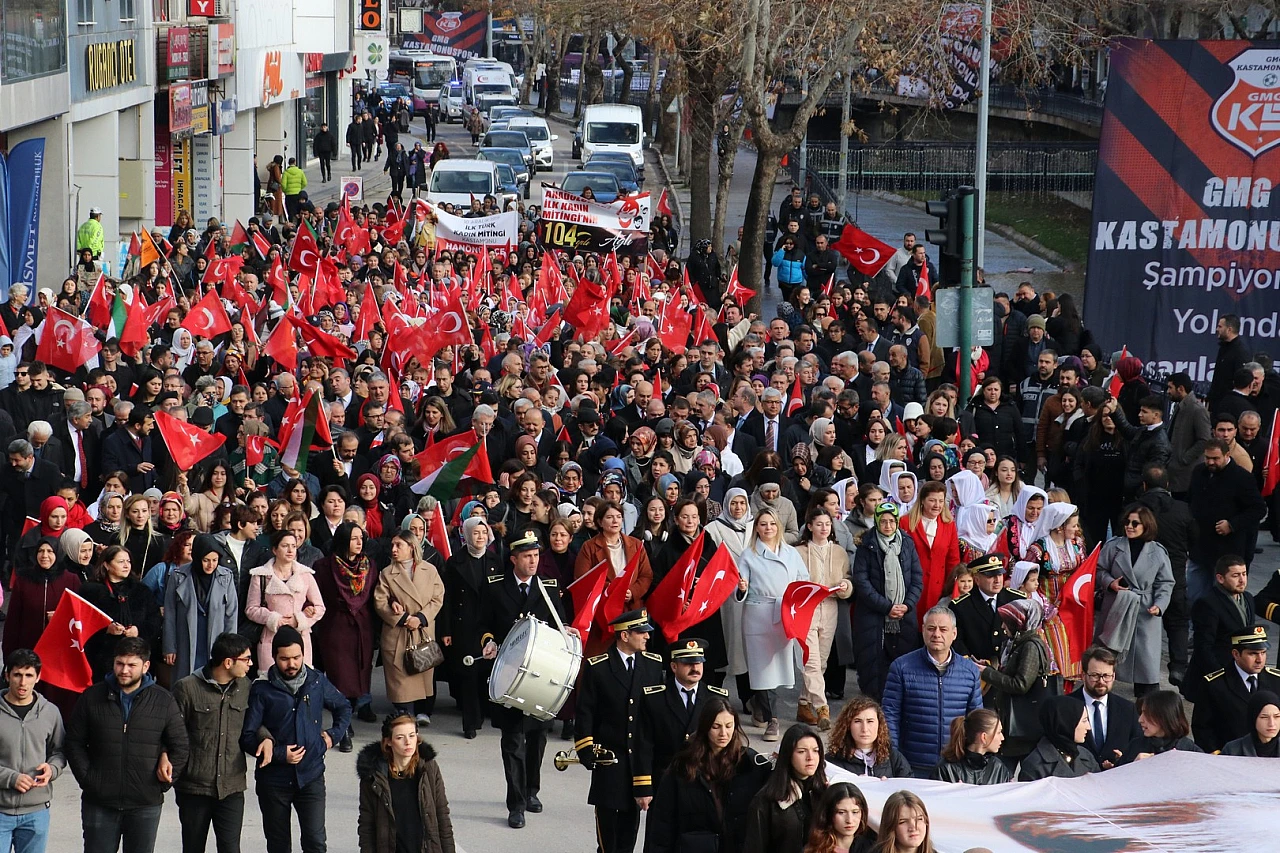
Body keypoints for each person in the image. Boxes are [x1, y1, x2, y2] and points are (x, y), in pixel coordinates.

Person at [479, 529, 573, 830]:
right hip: (509, 675)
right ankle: (516, 804)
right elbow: (484, 624)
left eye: (536, 556)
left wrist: (566, 630)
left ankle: (532, 790)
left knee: (537, 738)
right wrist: (489, 641)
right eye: (527, 556)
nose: (533, 561)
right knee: (512, 741)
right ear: (514, 559)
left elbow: (559, 623)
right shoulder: (496, 587)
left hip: (540, 675)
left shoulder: (547, 587)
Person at [65, 637, 190, 853]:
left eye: (132, 665)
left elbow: (180, 746)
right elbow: (74, 742)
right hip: (99, 803)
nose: (124, 670)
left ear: (146, 666)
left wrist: (160, 785)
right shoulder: (92, 697)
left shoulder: (164, 700)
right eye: (119, 663)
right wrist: (88, 780)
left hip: (145, 804)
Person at [239, 625, 351, 853]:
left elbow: (343, 707)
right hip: (274, 781)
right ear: (274, 657)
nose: (291, 664)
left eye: (296, 658)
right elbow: (247, 735)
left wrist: (333, 736)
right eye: (284, 659)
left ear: (303, 654)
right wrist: (280, 754)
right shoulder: (261, 689)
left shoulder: (316, 681)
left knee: (315, 842)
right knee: (278, 845)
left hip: (311, 776)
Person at [575, 608, 664, 853]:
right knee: (607, 833)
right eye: (641, 632)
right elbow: (586, 711)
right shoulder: (599, 667)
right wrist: (586, 748)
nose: (647, 637)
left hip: (639, 761)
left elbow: (656, 712)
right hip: (610, 758)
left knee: (630, 827)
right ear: (625, 635)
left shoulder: (652, 665)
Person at [643, 698, 772, 853]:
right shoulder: (683, 766)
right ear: (705, 727)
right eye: (716, 727)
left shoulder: (750, 763)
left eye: (729, 726)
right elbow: (663, 822)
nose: (723, 733)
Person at [170, 632, 254, 853]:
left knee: (230, 848)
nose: (250, 664)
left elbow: (253, 723)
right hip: (194, 787)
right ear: (228, 662)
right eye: (246, 659)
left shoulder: (245, 687)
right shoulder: (187, 688)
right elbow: (172, 732)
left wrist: (265, 739)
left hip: (232, 785)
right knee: (193, 847)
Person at [881, 605, 982, 778]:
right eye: (931, 628)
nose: (936, 634)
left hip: (955, 766)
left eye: (943, 629)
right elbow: (890, 715)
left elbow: (976, 719)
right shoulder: (901, 667)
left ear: (954, 634)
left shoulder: (970, 671)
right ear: (923, 630)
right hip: (912, 764)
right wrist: (894, 757)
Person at [737, 508, 810, 740]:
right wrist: (741, 588)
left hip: (783, 613)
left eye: (772, 523)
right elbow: (739, 586)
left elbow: (803, 580)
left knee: (779, 668)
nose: (768, 528)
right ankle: (772, 719)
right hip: (758, 615)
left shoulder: (790, 553)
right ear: (756, 528)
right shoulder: (748, 555)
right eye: (763, 524)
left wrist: (797, 603)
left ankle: (760, 707)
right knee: (762, 670)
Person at [312, 522, 380, 745]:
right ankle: (343, 728)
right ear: (343, 540)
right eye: (354, 538)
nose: (359, 543)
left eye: (361, 538)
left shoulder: (369, 565)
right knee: (340, 678)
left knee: (359, 677)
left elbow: (375, 595)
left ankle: (347, 719)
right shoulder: (324, 566)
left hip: (362, 628)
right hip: (336, 627)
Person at [1096, 506, 1173, 696]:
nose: (1129, 526)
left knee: (1145, 657)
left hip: (1145, 609)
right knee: (1109, 651)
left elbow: (1165, 582)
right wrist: (1110, 583)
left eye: (1135, 523)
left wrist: (1160, 605)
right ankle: (1101, 684)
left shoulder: (1158, 552)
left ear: (1146, 525)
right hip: (1117, 605)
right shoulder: (1114, 546)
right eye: (1127, 522)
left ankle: (1146, 693)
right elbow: (1098, 570)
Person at [850, 502, 923, 701]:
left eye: (891, 521)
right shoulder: (866, 545)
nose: (888, 525)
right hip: (873, 616)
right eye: (883, 521)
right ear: (876, 522)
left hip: (904, 615)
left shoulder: (906, 543)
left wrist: (907, 605)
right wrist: (887, 607)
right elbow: (862, 581)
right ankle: (874, 701)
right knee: (873, 662)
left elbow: (917, 578)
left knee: (903, 658)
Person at [356, 712, 456, 853]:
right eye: (400, 737)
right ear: (388, 741)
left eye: (412, 735)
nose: (408, 742)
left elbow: (442, 816)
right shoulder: (374, 776)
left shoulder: (428, 768)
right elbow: (367, 826)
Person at [638, 638, 730, 788]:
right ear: (674, 666)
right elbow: (643, 744)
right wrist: (643, 786)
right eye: (688, 663)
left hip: (705, 779)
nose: (695, 668)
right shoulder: (654, 698)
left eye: (698, 663)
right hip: (665, 780)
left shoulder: (716, 697)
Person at [374, 531, 445, 723]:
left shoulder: (430, 570)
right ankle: (404, 716)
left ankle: (421, 713)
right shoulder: (387, 573)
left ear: (412, 547)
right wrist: (404, 617)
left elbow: (438, 597)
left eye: (399, 545)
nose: (394, 549)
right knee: (401, 682)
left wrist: (421, 618)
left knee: (422, 674)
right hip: (399, 633)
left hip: (422, 632)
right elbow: (380, 602)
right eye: (392, 545)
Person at [0, 649, 66, 853]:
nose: (23, 682)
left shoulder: (50, 712)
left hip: (36, 812)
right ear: (7, 675)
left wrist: (52, 769)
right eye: (17, 675)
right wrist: (11, 778)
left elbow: (60, 751)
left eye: (29, 675)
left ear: (38, 677)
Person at [441, 517, 500, 738]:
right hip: (463, 624)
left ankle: (485, 712)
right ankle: (470, 722)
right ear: (466, 535)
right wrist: (446, 630)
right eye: (475, 533)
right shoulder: (454, 562)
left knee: (487, 670)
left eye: (484, 533)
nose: (480, 537)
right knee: (468, 674)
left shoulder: (495, 560)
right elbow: (447, 598)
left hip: (489, 624)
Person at [795, 508, 852, 729]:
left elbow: (847, 579)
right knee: (811, 660)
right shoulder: (798, 552)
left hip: (830, 607)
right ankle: (822, 709)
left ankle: (803, 703)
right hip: (806, 609)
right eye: (819, 524)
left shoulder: (839, 552)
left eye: (827, 524)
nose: (824, 528)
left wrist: (846, 586)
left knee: (822, 661)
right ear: (809, 526)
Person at [979, 598, 1054, 764]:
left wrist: (987, 674)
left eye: (1007, 623)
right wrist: (989, 668)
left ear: (1018, 623)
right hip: (1014, 725)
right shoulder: (1018, 643)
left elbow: (1020, 684)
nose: (1003, 627)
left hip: (1022, 728)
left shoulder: (1030, 646)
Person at [78, 546, 162, 682]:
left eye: (128, 561)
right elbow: (82, 623)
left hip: (136, 656)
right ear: (106, 565)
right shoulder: (91, 591)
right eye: (121, 562)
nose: (126, 566)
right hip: (102, 659)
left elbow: (155, 619)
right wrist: (106, 629)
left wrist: (138, 630)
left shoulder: (141, 590)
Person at [162, 533, 240, 682]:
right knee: (185, 684)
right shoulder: (178, 576)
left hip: (216, 641)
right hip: (185, 641)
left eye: (215, 560)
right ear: (197, 557)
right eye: (206, 560)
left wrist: (231, 649)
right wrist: (169, 647)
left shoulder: (226, 577)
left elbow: (231, 615)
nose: (211, 565)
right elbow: (170, 614)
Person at [245, 530, 325, 673]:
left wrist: (301, 619)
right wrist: (273, 618)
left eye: (293, 546)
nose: (290, 550)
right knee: (271, 678)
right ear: (274, 550)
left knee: (300, 677)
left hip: (300, 636)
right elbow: (251, 609)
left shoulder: (305, 574)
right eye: (285, 546)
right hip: (271, 636)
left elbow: (320, 607)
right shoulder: (261, 575)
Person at [1191, 624, 1280, 753]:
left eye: (1263, 653)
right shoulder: (1215, 684)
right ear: (1236, 654)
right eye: (1253, 654)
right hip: (1232, 756)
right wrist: (1217, 755)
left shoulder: (1276, 680)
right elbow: (1202, 728)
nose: (1260, 660)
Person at [1183, 555, 1255, 704]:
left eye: (1244, 574)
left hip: (1239, 671)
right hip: (1215, 677)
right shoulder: (1208, 603)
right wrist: (1220, 676)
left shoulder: (1248, 598)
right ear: (1220, 578)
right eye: (1235, 575)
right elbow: (1203, 647)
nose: (1242, 580)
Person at [744, 724, 827, 853]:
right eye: (801, 751)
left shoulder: (825, 793)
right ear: (788, 755)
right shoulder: (765, 801)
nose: (810, 757)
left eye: (816, 751)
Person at [948, 554, 1027, 665]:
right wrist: (970, 663)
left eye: (1000, 574)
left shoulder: (1017, 600)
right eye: (991, 576)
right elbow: (957, 641)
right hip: (977, 668)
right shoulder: (961, 606)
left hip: (1011, 668)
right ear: (977, 579)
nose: (997, 580)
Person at [1073, 646, 1141, 770]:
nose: (1101, 681)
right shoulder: (1067, 706)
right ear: (1083, 675)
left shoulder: (1127, 709)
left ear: (1113, 676)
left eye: (1106, 676)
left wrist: (1123, 760)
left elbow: (1137, 745)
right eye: (1095, 675)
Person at [1017, 694, 1101, 780]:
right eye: (1084, 721)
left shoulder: (1086, 756)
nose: (1088, 727)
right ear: (1066, 723)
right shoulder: (1035, 765)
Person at [824, 698, 912, 778]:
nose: (864, 729)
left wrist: (889, 786)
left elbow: (909, 787)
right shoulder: (832, 761)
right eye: (857, 721)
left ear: (879, 725)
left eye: (870, 721)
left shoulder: (893, 758)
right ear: (848, 725)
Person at [1119, 688, 1202, 764]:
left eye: (1147, 714)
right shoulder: (1136, 745)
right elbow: (1116, 773)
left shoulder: (1188, 750)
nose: (1140, 720)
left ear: (1164, 716)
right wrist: (1133, 765)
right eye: (1141, 713)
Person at [931, 709, 1011, 785]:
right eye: (998, 732)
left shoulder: (998, 768)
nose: (1002, 738)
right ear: (984, 737)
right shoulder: (946, 769)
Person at [1221, 689, 1280, 757]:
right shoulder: (1232, 750)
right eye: (1264, 717)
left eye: (1277, 716)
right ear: (1253, 719)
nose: (1272, 723)